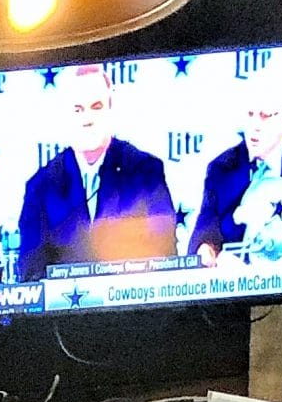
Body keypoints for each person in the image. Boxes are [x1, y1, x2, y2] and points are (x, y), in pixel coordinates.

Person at [15, 61, 179, 279]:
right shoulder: (41, 187)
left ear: (111, 109)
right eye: (78, 109)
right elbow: (31, 273)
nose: (87, 120)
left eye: (96, 107)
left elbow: (165, 255)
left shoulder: (145, 171)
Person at [188, 71, 282, 265]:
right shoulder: (221, 169)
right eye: (250, 115)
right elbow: (204, 232)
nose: (255, 126)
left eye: (265, 116)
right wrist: (205, 249)